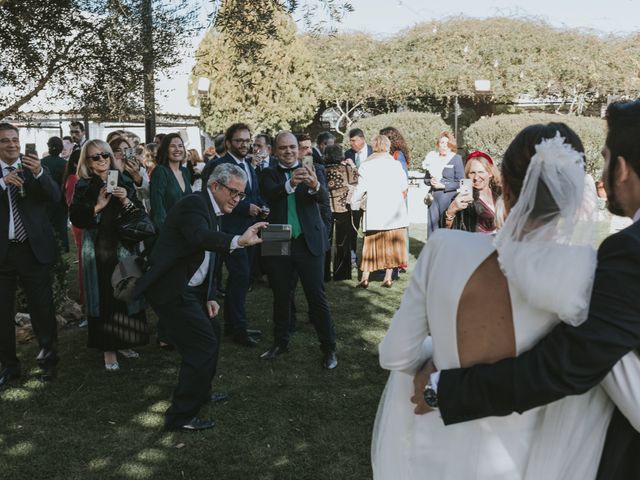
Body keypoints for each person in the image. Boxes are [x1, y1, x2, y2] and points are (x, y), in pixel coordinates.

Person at [373, 122, 639, 480]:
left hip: (435, 446)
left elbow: (394, 355)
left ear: (506, 188)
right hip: (523, 463)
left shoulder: (443, 248)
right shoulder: (582, 276)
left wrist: (441, 359)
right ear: (574, 198)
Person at [132, 163, 266, 431]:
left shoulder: (213, 207)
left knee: (211, 335)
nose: (237, 199)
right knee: (201, 346)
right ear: (215, 186)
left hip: (191, 289)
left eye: (241, 195)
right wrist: (238, 241)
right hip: (171, 290)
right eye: (234, 192)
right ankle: (180, 417)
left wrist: (210, 295)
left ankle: (201, 392)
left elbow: (209, 259)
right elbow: (200, 237)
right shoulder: (193, 204)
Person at [259, 131, 338, 369]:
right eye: (283, 147)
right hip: (276, 235)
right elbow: (271, 195)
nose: (289, 151)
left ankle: (329, 348)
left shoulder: (315, 169)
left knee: (316, 297)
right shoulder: (267, 173)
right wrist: (290, 182)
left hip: (307, 238)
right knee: (281, 295)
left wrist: (314, 186)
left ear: (299, 148)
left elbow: (324, 199)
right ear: (274, 150)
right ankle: (280, 342)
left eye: (292, 147)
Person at [69, 140, 149, 371]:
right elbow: (76, 217)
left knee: (126, 292)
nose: (102, 159)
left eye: (105, 154)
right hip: (98, 247)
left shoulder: (123, 179)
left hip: (124, 246)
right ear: (87, 161)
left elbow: (138, 215)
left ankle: (124, 341)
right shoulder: (83, 185)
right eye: (95, 157)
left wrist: (125, 199)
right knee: (105, 296)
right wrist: (97, 206)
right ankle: (108, 348)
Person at [0, 122, 61, 386]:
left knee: (42, 311)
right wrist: (2, 183)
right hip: (3, 253)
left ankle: (48, 363)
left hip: (33, 251)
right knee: (2, 314)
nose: (12, 144)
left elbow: (56, 198)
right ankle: (8, 367)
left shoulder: (36, 168)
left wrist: (39, 174)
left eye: (15, 139)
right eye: (4, 140)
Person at [200, 123, 266, 347]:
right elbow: (210, 196)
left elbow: (254, 194)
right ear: (228, 143)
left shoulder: (248, 165)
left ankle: (234, 325)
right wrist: (243, 208)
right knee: (238, 277)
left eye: (247, 141)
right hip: (227, 231)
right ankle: (237, 329)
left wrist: (260, 206)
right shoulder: (218, 165)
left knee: (243, 278)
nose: (244, 145)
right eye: (239, 141)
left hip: (249, 229)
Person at [350, 134, 408, 288]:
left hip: (375, 210)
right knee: (391, 245)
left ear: (374, 146)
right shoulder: (395, 165)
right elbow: (404, 186)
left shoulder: (366, 165)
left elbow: (360, 188)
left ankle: (365, 278)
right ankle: (388, 278)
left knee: (370, 245)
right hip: (394, 210)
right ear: (388, 146)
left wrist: (353, 204)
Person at [441, 151, 501, 233]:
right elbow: (446, 230)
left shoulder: (501, 194)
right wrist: (451, 210)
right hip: (477, 244)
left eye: (481, 172)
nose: (476, 177)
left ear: (490, 173)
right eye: (472, 173)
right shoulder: (463, 198)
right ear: (467, 175)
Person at [324, 144, 358, 280]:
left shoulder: (322, 170)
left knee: (325, 242)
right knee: (343, 242)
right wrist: (353, 165)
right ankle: (342, 274)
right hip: (343, 208)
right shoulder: (347, 169)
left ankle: (324, 274)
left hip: (326, 209)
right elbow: (357, 179)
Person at [422, 131, 464, 235]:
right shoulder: (432, 158)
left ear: (451, 145)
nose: (444, 146)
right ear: (438, 144)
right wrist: (430, 181)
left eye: (447, 143)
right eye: (442, 143)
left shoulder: (456, 158)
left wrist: (444, 185)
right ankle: (432, 249)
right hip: (433, 198)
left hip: (448, 198)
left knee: (446, 225)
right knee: (432, 227)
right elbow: (426, 179)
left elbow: (461, 181)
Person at [149, 133, 192, 229]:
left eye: (180, 146)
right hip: (166, 232)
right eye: (172, 146)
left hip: (184, 230)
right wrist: (168, 233)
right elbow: (158, 208)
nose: (177, 149)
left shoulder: (185, 172)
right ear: (165, 150)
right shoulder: (160, 171)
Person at [62, 150, 85, 321]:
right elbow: (72, 204)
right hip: (80, 225)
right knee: (84, 260)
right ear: (76, 163)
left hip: (81, 224)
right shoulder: (73, 180)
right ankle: (85, 297)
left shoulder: (77, 178)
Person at [41, 136, 70, 252]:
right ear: (61, 148)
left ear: (48, 146)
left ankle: (47, 248)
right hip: (61, 200)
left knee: (46, 225)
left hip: (45, 199)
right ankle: (63, 248)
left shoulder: (42, 162)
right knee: (61, 226)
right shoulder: (65, 164)